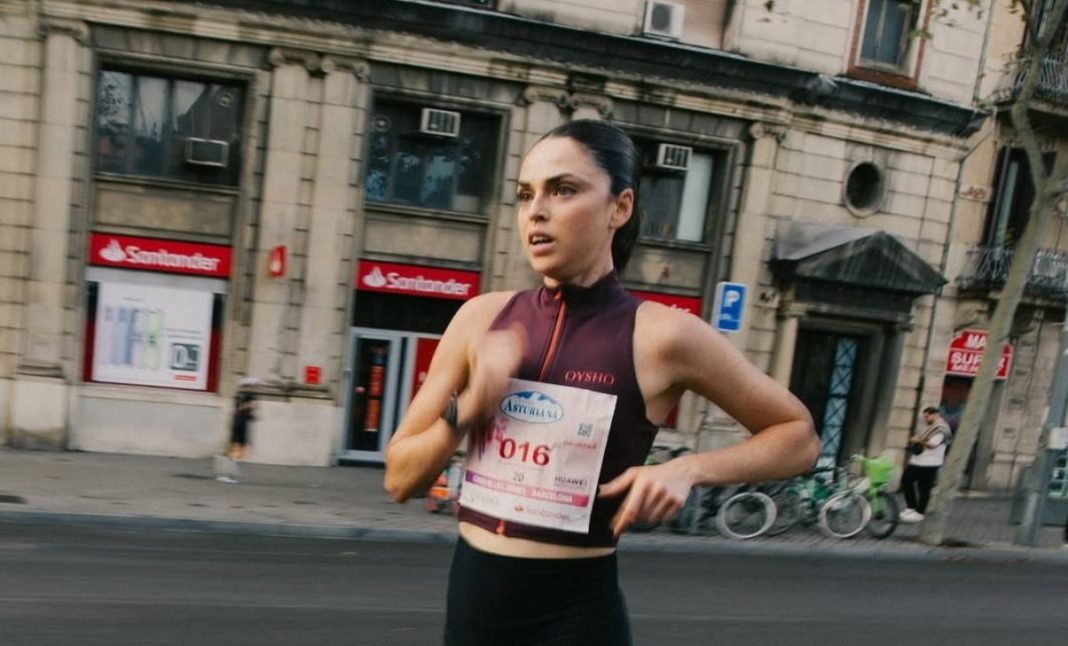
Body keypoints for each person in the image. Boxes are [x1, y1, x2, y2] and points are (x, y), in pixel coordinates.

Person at [383, 119, 820, 645]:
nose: (536, 211)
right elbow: (400, 479)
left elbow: (798, 436)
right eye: (526, 195)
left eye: (563, 189)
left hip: (575, 618)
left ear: (621, 207)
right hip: (472, 612)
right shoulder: (480, 319)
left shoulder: (662, 335)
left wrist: (690, 470)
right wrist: (468, 409)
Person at [899, 406, 952, 523]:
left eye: (927, 416)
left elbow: (933, 444)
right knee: (908, 482)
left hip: (929, 463)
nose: (925, 419)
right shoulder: (932, 427)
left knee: (923, 487)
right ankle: (912, 508)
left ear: (935, 414)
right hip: (919, 461)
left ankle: (918, 512)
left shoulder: (941, 429)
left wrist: (918, 440)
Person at [216, 377, 260, 484]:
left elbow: (245, 412)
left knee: (237, 453)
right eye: (254, 386)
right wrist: (249, 406)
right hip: (238, 427)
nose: (256, 389)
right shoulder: (241, 396)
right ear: (247, 386)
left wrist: (251, 415)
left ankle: (228, 475)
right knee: (233, 452)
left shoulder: (248, 397)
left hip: (241, 426)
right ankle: (226, 475)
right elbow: (239, 409)